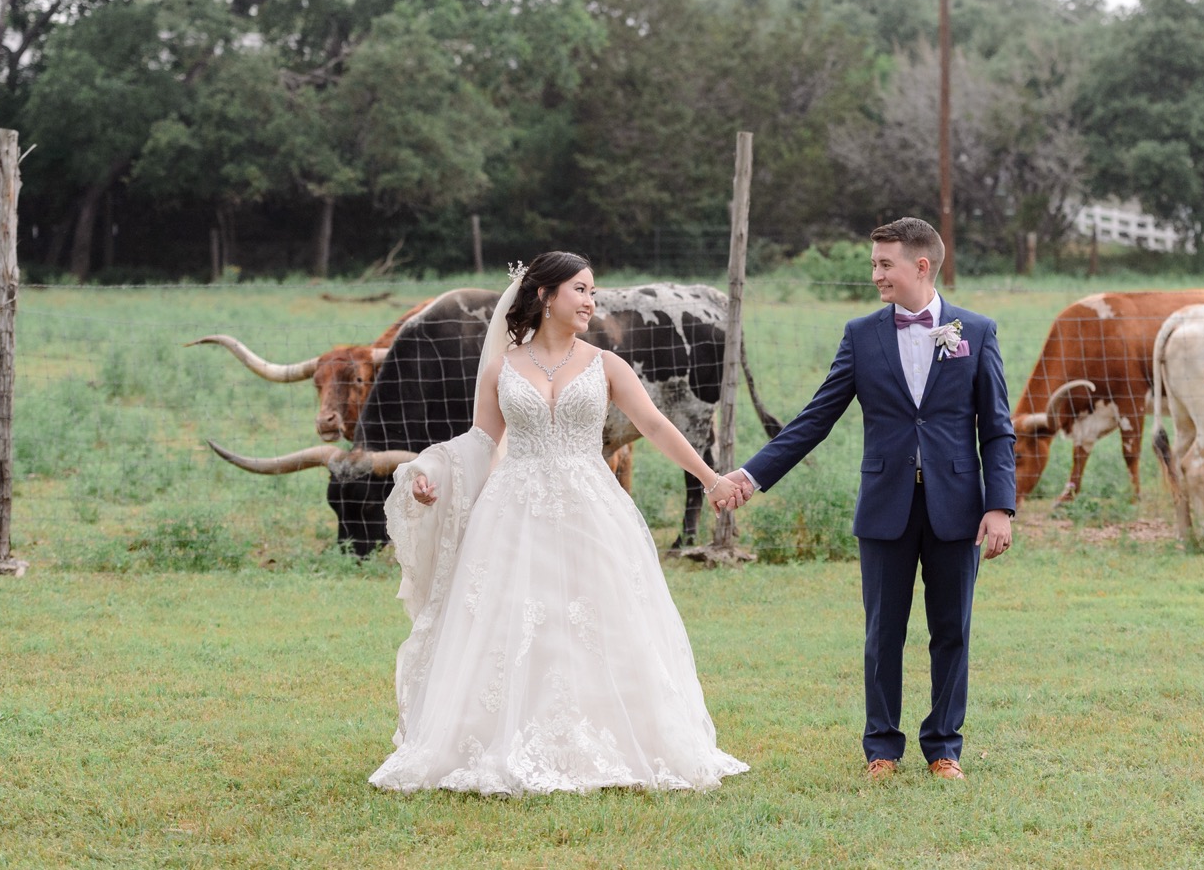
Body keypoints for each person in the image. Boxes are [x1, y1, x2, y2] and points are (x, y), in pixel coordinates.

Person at [369, 251, 749, 795]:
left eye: (593, 291)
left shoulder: (606, 364)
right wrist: (427, 471)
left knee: (599, 615)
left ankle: (610, 734)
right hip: (512, 509)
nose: (592, 301)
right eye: (581, 289)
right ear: (546, 296)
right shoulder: (503, 366)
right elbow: (480, 442)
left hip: (591, 505)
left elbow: (655, 425)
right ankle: (504, 734)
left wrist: (711, 478)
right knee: (518, 618)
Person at [724, 217, 1015, 782]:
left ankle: (944, 749)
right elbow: (815, 419)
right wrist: (750, 476)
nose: (875, 275)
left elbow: (997, 429)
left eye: (885, 264)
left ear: (921, 266)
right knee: (883, 630)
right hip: (885, 506)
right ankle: (882, 747)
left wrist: (999, 505)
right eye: (874, 264)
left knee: (952, 629)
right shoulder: (862, 335)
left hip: (958, 507)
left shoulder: (976, 332)